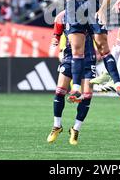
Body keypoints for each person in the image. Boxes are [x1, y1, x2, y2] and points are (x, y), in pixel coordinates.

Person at [46, 10, 96, 145]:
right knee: (60, 90)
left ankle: (75, 129)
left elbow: (99, 35)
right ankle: (57, 126)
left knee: (87, 95)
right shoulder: (61, 17)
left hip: (88, 58)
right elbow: (56, 36)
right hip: (70, 56)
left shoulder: (91, 14)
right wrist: (56, 43)